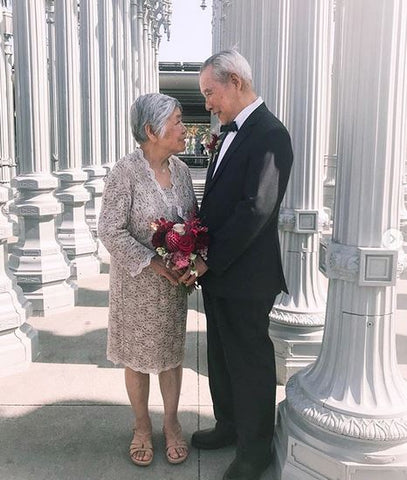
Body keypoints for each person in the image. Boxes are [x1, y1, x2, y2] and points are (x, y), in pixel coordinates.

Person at [180, 50, 293, 480]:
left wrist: (207, 258)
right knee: (222, 356)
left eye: (211, 92)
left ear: (236, 83)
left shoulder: (270, 133)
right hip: (223, 275)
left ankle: (254, 449)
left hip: (246, 276)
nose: (207, 102)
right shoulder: (230, 132)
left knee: (249, 362)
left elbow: (256, 208)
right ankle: (228, 425)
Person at [98, 93, 196, 467]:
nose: (184, 128)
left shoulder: (183, 172)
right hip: (137, 286)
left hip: (173, 289)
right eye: (177, 121)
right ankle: (141, 427)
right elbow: (110, 229)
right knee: (138, 360)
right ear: (152, 131)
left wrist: (191, 256)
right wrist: (152, 262)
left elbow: (194, 222)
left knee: (171, 358)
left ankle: (171, 424)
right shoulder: (124, 173)